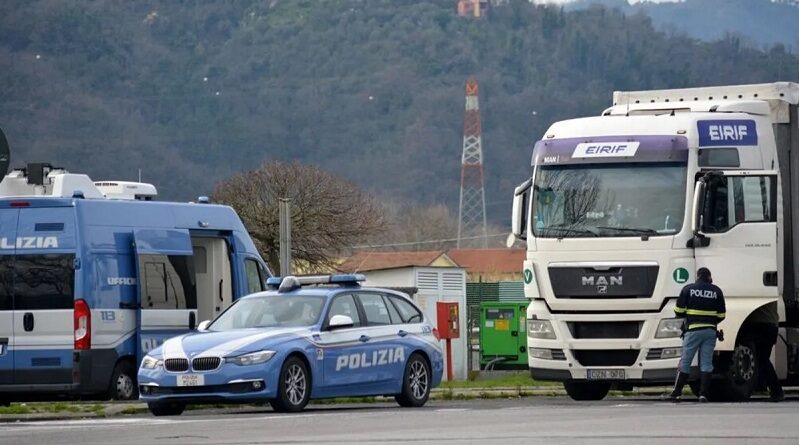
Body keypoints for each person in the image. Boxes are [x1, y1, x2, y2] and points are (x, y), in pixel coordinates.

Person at [667, 267, 726, 402]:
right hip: (710, 331)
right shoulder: (716, 291)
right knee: (706, 363)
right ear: (709, 277)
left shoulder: (688, 289)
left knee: (685, 362)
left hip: (692, 330)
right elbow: (722, 315)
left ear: (698, 276)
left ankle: (676, 393)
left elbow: (678, 311)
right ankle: (703, 394)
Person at [748, 302, 785, 402]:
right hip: (771, 325)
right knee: (762, 359)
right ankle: (763, 386)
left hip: (762, 325)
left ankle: (776, 391)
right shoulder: (771, 293)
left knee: (762, 360)